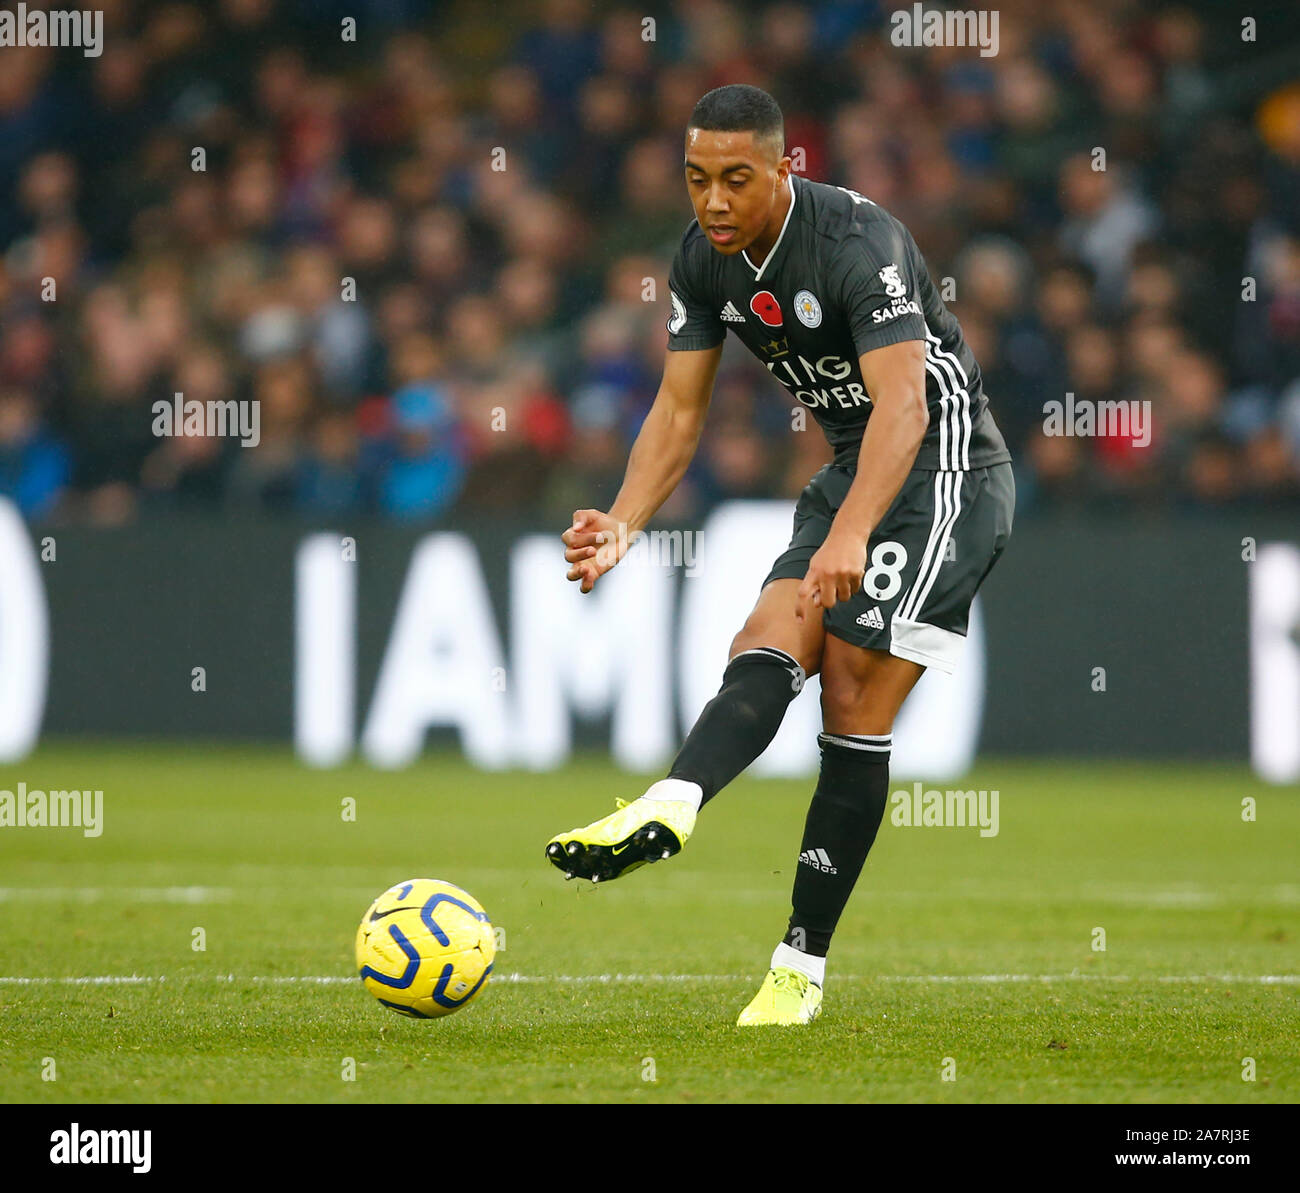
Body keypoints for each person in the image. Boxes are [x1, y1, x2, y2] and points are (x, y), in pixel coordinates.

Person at [546, 85, 1014, 1026]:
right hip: (854, 471)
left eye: (734, 179)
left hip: (948, 473)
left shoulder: (856, 245)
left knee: (849, 693)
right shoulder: (697, 262)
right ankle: (675, 798)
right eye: (696, 179)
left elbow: (908, 407)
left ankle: (799, 967)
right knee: (763, 637)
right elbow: (679, 412)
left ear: (782, 167)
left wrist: (850, 535)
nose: (712, 201)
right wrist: (626, 522)